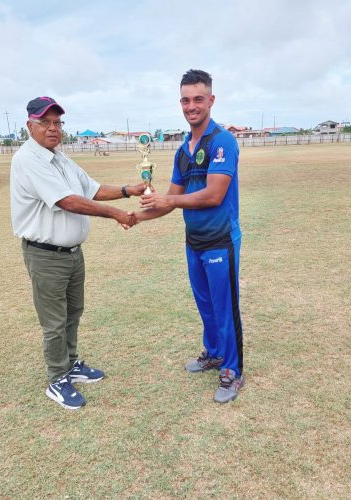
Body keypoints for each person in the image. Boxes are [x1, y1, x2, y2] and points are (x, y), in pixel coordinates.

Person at [10, 96, 145, 410]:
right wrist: (115, 214)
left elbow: (91, 188)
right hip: (46, 255)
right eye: (45, 122)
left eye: (58, 122)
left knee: (73, 313)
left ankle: (70, 363)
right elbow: (68, 201)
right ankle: (57, 378)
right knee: (54, 322)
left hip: (71, 253)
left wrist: (128, 190)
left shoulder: (59, 157)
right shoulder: (28, 159)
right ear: (30, 125)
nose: (53, 128)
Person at [132, 69, 244, 403]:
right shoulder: (183, 149)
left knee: (225, 308)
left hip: (220, 240)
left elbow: (213, 195)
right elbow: (169, 199)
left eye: (198, 99)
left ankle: (232, 371)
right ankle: (213, 353)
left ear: (211, 100)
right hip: (193, 242)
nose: (191, 106)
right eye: (185, 100)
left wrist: (169, 200)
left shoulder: (222, 141)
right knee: (206, 304)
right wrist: (135, 216)